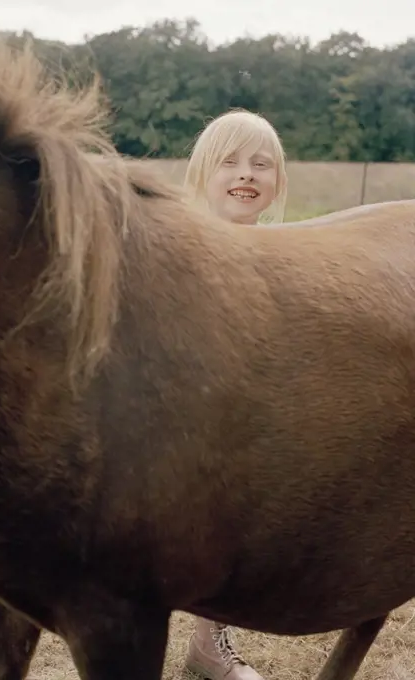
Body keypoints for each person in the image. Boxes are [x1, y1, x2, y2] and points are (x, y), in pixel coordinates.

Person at [182, 109, 288, 680]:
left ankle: (207, 644)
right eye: (230, 161)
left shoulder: (288, 253)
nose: (246, 174)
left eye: (261, 164)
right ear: (202, 172)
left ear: (276, 183)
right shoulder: (180, 246)